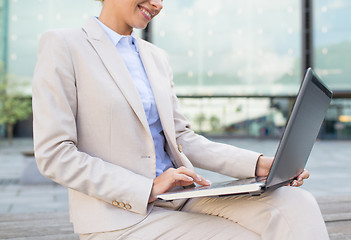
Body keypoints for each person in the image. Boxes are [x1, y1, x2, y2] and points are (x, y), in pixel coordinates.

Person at [32, 0, 330, 239]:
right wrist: (146, 188)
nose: (158, 4)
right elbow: (55, 154)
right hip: (121, 215)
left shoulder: (155, 57)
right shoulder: (63, 45)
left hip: (182, 196)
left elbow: (183, 139)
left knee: (296, 204)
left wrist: (259, 164)